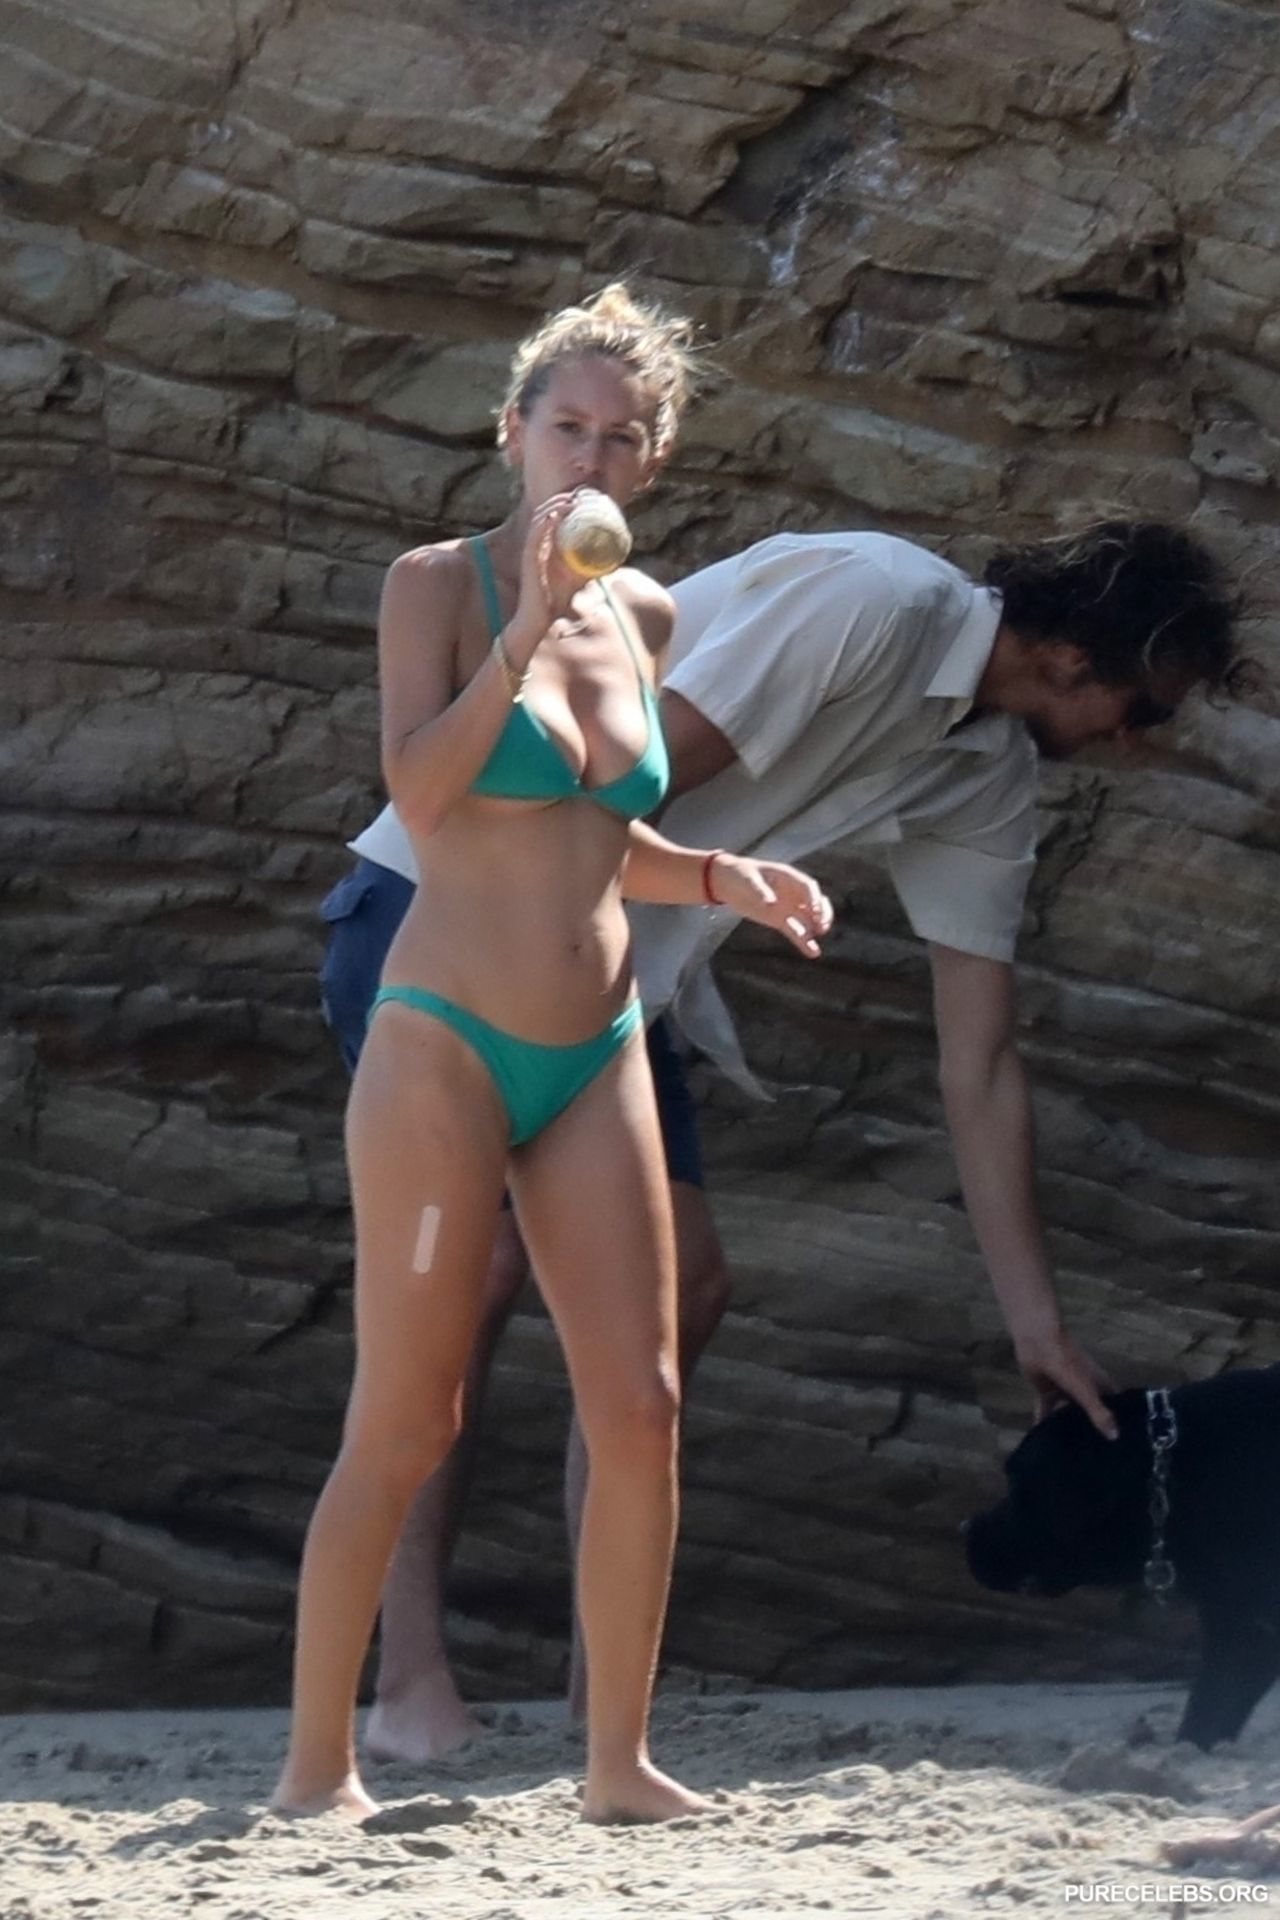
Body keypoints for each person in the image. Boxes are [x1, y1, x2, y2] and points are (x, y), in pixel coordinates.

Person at [324, 514, 1241, 1766]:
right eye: (1147, 710)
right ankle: (409, 1681)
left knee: (681, 1288)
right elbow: (596, 789)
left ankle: (600, 1699)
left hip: (604, 973)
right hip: (440, 910)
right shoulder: (875, 604)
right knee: (472, 1278)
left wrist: (1033, 1324)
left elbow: (978, 1062)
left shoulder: (982, 768)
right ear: (1078, 661)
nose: (1140, 744)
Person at [271, 283, 834, 1823]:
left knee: (641, 1404)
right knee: (410, 1417)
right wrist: (521, 622)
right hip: (443, 1041)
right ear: (512, 432)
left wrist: (720, 876)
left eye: (621, 437)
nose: (590, 455)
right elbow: (426, 793)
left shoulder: (649, 614)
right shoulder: (432, 585)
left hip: (598, 1047)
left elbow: (599, 834)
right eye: (566, 425)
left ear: (654, 461)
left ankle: (617, 1766)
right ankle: (318, 1771)